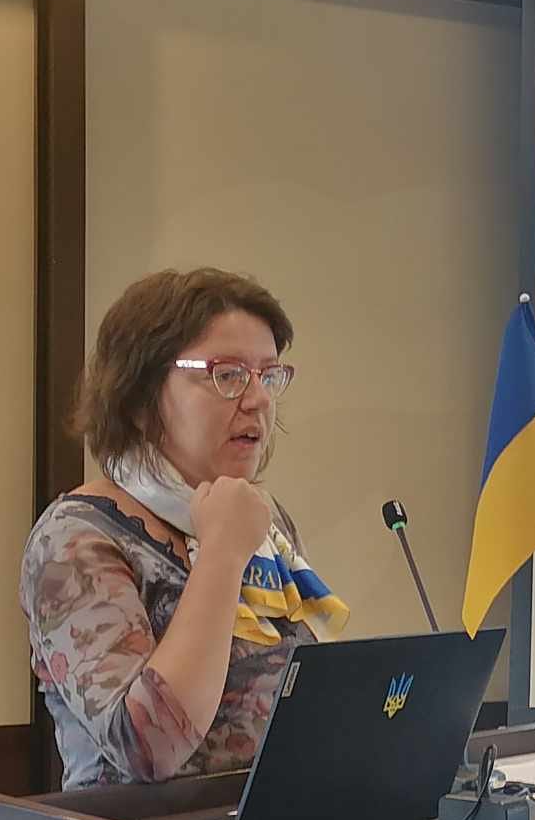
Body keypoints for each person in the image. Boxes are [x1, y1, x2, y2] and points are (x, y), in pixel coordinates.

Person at [20, 269, 347, 789]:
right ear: (139, 399)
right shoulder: (75, 538)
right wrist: (221, 555)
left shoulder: (263, 524)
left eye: (268, 375)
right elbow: (148, 748)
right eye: (228, 374)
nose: (259, 400)